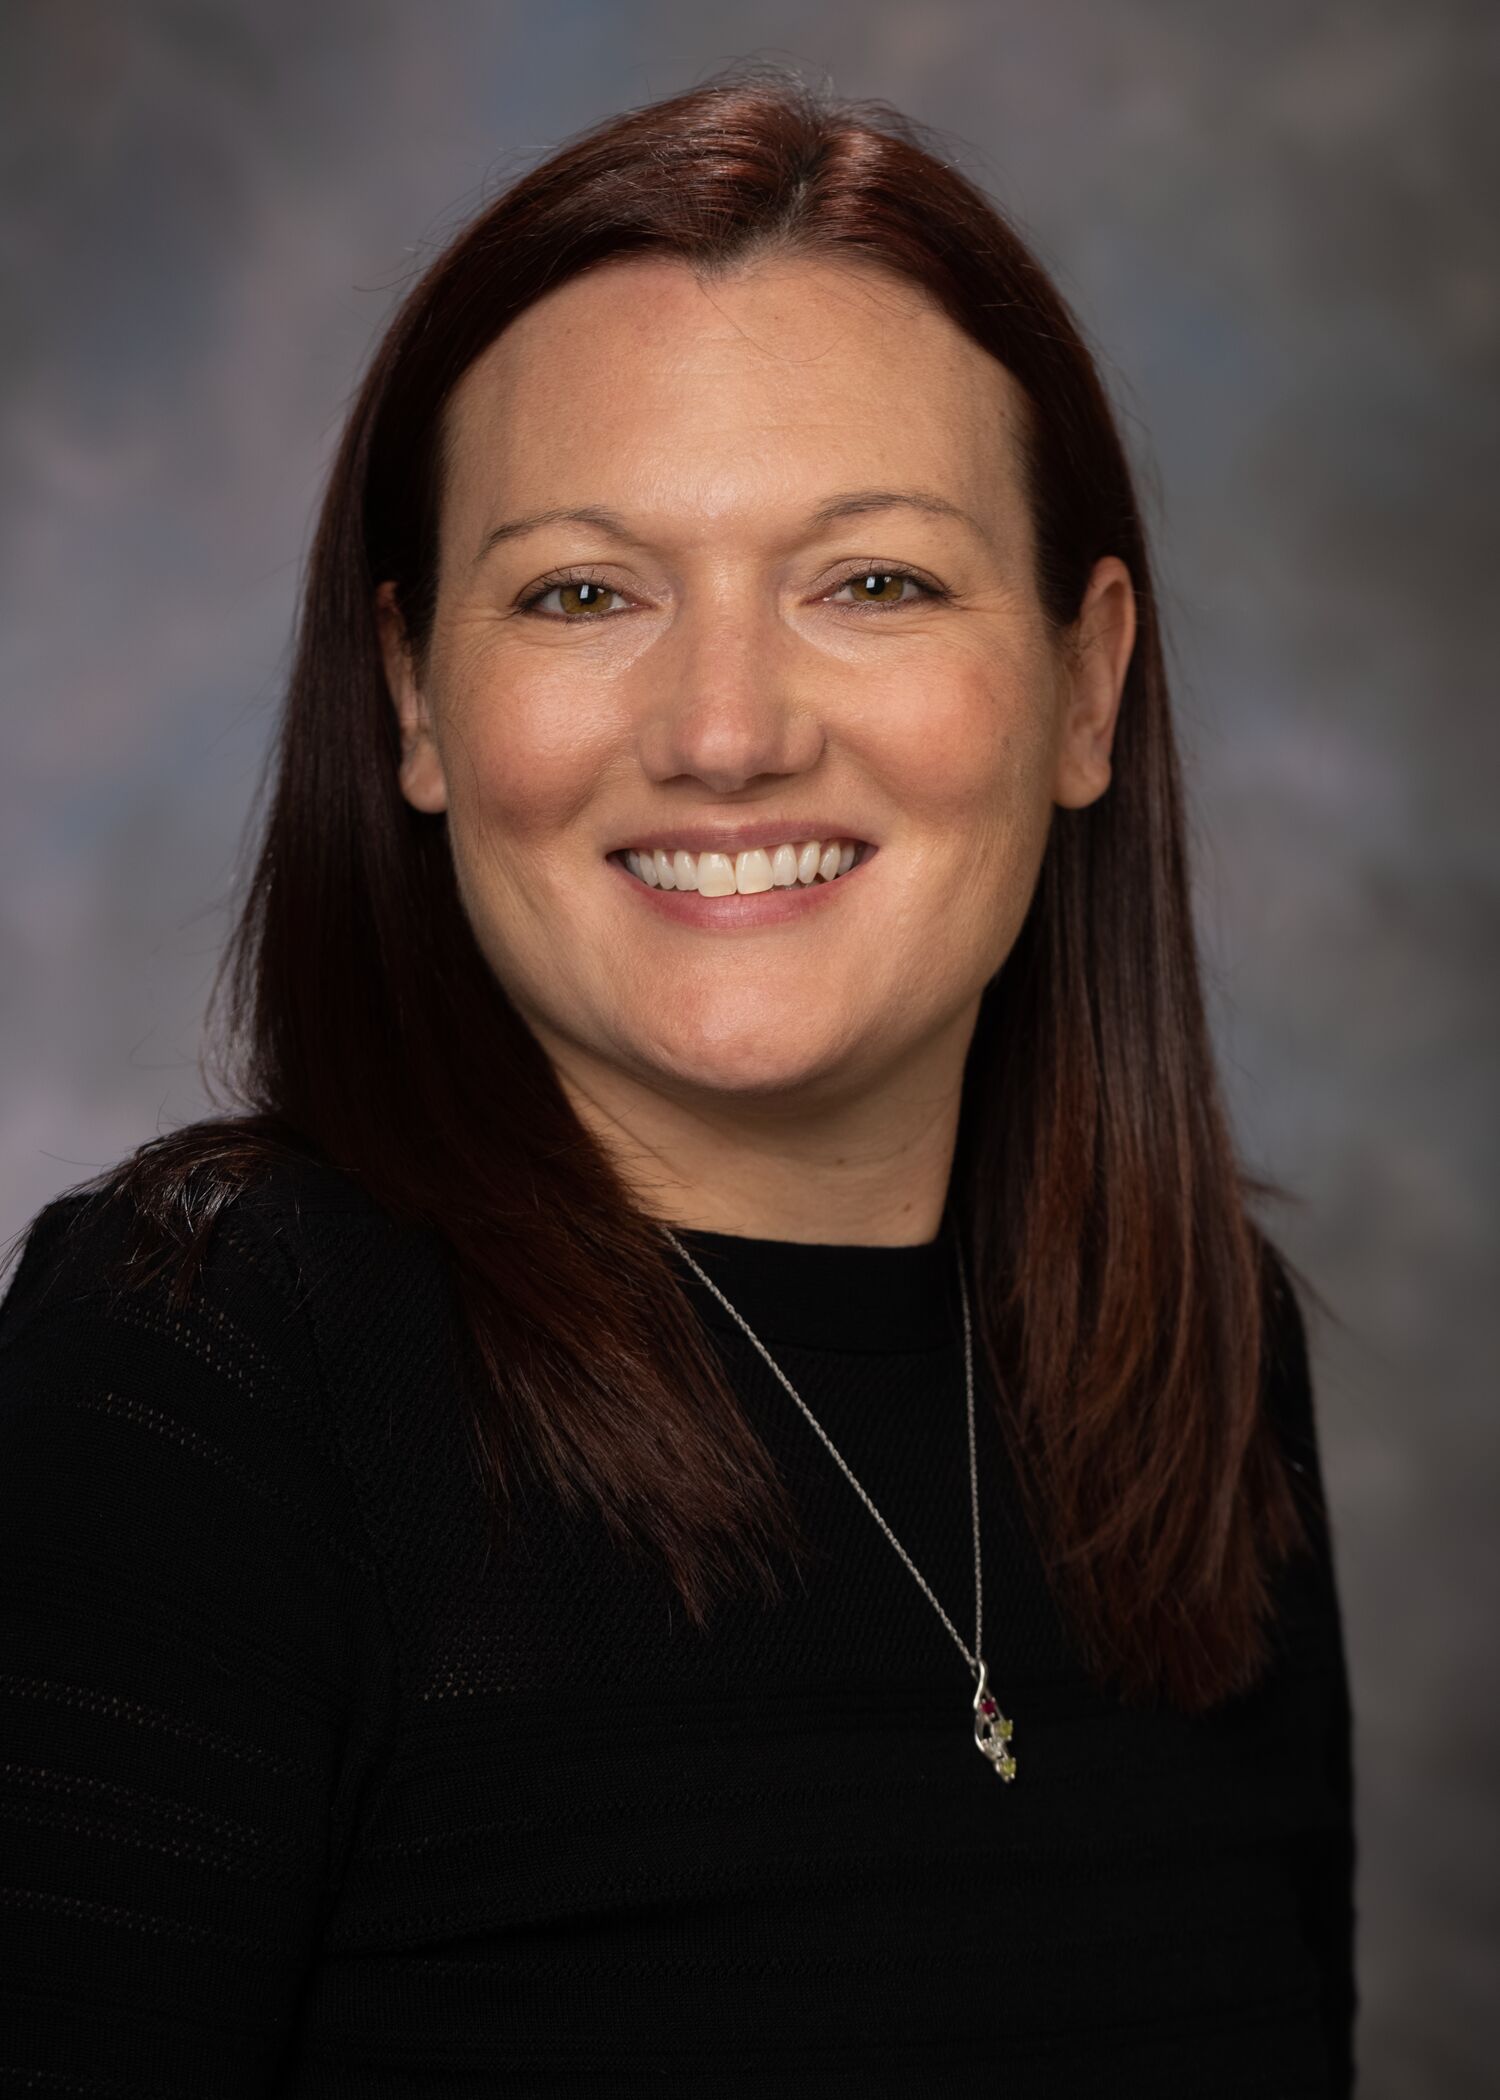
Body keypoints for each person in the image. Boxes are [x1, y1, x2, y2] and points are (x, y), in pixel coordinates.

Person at [0, 62, 1356, 2096]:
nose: (725, 732)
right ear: (415, 705)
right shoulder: (205, 1366)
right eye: (582, 593)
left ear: (1088, 684)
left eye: (872, 581)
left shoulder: (1196, 1357)